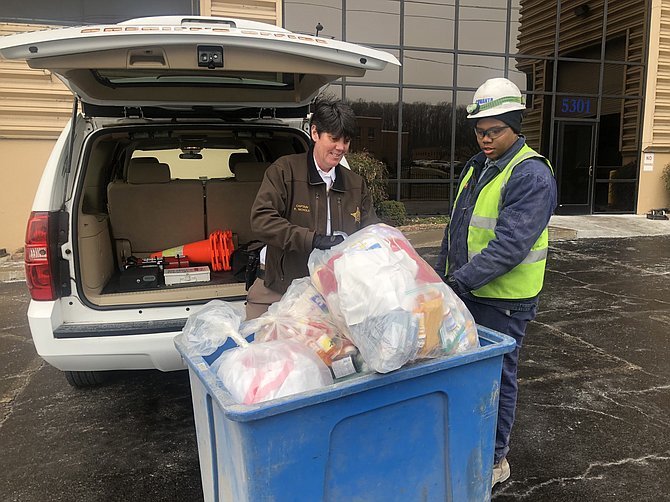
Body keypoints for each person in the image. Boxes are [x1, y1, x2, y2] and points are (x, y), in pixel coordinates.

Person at [435, 77, 558, 488]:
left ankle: (495, 460)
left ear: (516, 127)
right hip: (471, 291)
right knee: (467, 375)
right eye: (479, 131)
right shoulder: (478, 166)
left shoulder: (531, 175)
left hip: (504, 301)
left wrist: (456, 284)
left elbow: (510, 246)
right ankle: (469, 443)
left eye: (494, 131)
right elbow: (457, 228)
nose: (485, 139)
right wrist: (438, 278)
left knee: (499, 378)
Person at [247, 97, 379, 320]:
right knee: (262, 352)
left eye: (346, 141)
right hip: (280, 290)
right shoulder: (284, 171)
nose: (341, 148)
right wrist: (313, 240)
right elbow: (262, 220)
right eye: (334, 138)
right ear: (315, 133)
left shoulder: (356, 184)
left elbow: (372, 232)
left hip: (334, 296)